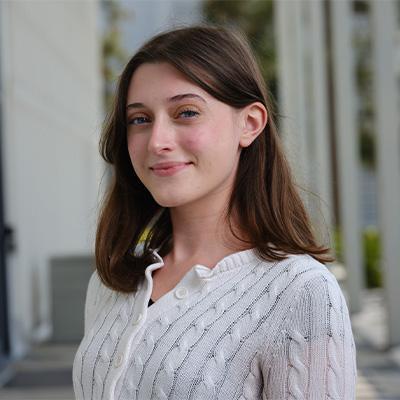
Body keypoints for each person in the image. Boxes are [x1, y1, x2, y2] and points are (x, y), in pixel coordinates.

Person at [73, 25, 357, 399]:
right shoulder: (113, 282)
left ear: (250, 123)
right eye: (139, 119)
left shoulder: (300, 291)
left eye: (186, 113)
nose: (157, 141)